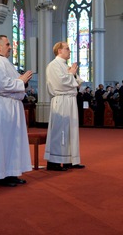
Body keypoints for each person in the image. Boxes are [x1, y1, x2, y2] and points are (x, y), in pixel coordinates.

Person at [0, 35, 33, 187]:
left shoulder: (5, 63)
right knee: (3, 139)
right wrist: (21, 81)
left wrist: (20, 81)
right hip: (2, 106)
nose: (10, 47)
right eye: (7, 44)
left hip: (12, 105)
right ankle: (0, 176)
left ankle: (12, 172)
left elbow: (12, 83)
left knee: (14, 140)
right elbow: (3, 85)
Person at [44, 41, 85, 171]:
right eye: (67, 49)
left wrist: (72, 75)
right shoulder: (53, 65)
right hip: (61, 100)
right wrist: (71, 74)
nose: (69, 51)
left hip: (70, 100)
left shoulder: (65, 65)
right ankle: (54, 162)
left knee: (70, 131)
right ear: (59, 51)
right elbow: (60, 83)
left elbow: (77, 83)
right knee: (60, 131)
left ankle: (69, 160)